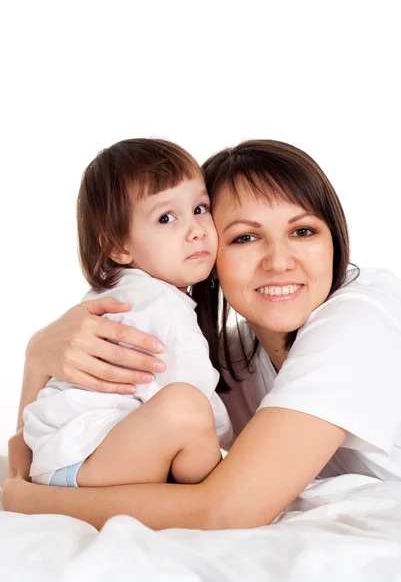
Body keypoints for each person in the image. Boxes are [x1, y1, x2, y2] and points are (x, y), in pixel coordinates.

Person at [4, 139, 401, 532]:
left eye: (303, 231)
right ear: (211, 254)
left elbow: (224, 510)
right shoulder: (229, 356)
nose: (279, 261)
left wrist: (31, 501)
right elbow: (33, 442)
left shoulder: (359, 319)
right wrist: (37, 357)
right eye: (244, 237)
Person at [22, 138, 232, 489]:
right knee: (190, 408)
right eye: (166, 218)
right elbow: (197, 393)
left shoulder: (123, 291)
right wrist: (234, 448)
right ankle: (217, 493)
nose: (197, 230)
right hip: (84, 454)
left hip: (64, 455)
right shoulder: (156, 302)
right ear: (118, 247)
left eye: (199, 208)